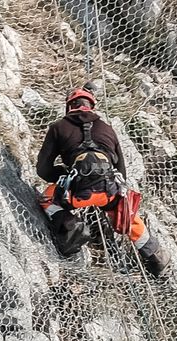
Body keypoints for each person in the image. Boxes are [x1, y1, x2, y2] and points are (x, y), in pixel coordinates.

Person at [34, 87, 163, 276]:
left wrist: (64, 176)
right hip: (108, 192)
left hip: (76, 194)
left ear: (69, 106)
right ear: (92, 106)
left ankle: (72, 227)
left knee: (46, 198)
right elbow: (122, 173)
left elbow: (42, 169)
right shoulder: (107, 129)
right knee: (126, 213)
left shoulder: (58, 127)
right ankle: (156, 256)